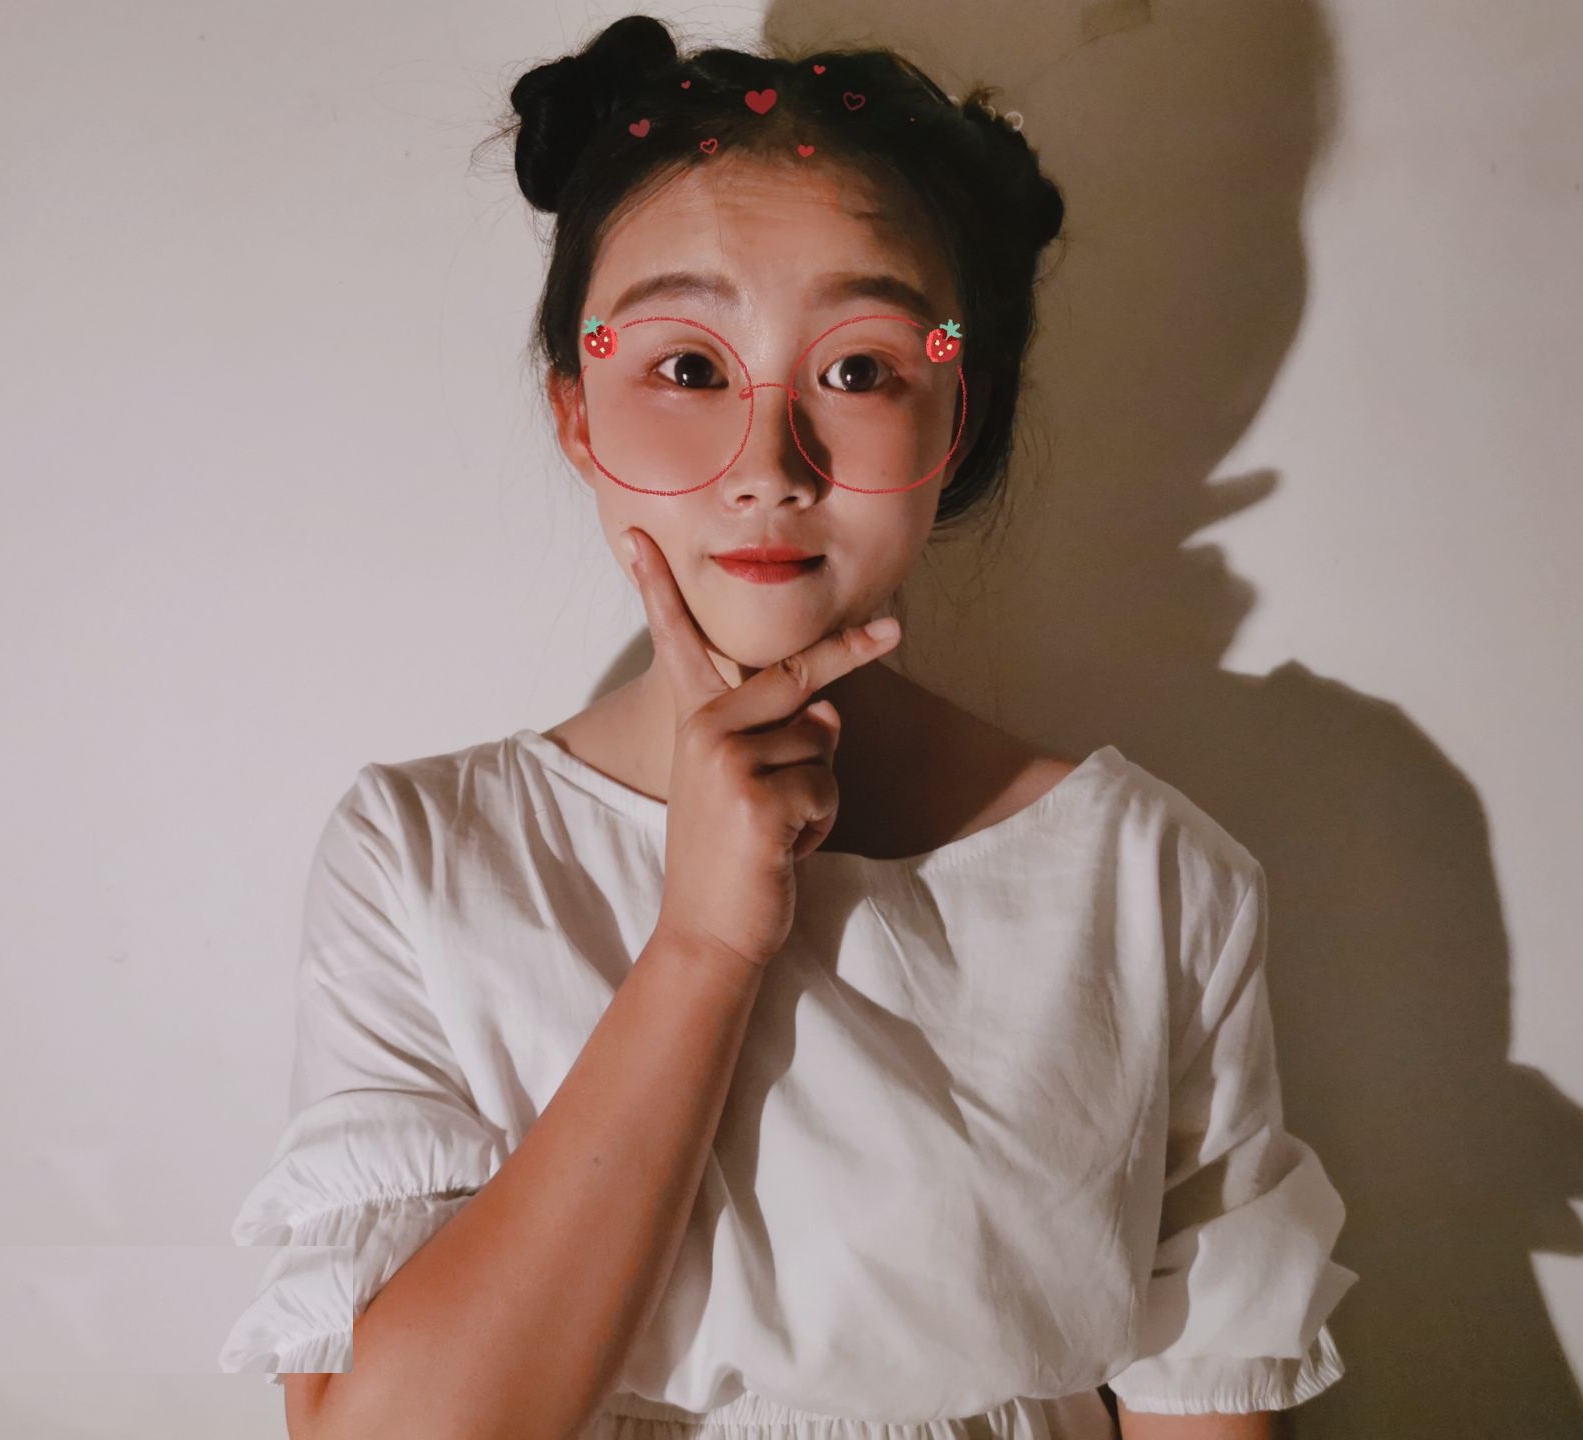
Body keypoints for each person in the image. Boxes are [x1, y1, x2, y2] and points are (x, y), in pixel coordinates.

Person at [219, 15, 1358, 1439]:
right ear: (579, 413)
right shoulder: (424, 859)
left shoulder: (1146, 881)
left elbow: (1208, 1405)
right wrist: (701, 943)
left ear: (959, 415)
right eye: (688, 369)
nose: (769, 464)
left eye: (862, 368)